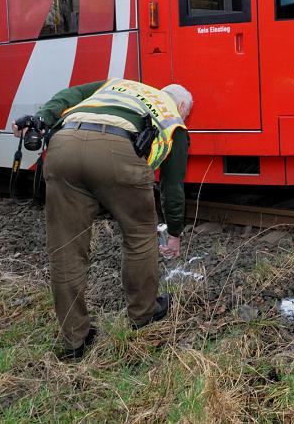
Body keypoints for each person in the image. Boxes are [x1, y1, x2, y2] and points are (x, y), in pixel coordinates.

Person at [13, 79, 193, 360]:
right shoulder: (173, 119)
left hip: (63, 146)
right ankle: (143, 315)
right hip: (116, 152)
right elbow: (172, 188)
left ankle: (75, 340)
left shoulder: (118, 85)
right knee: (139, 236)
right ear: (181, 106)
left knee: (66, 247)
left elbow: (68, 93)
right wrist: (174, 233)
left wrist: (42, 119)